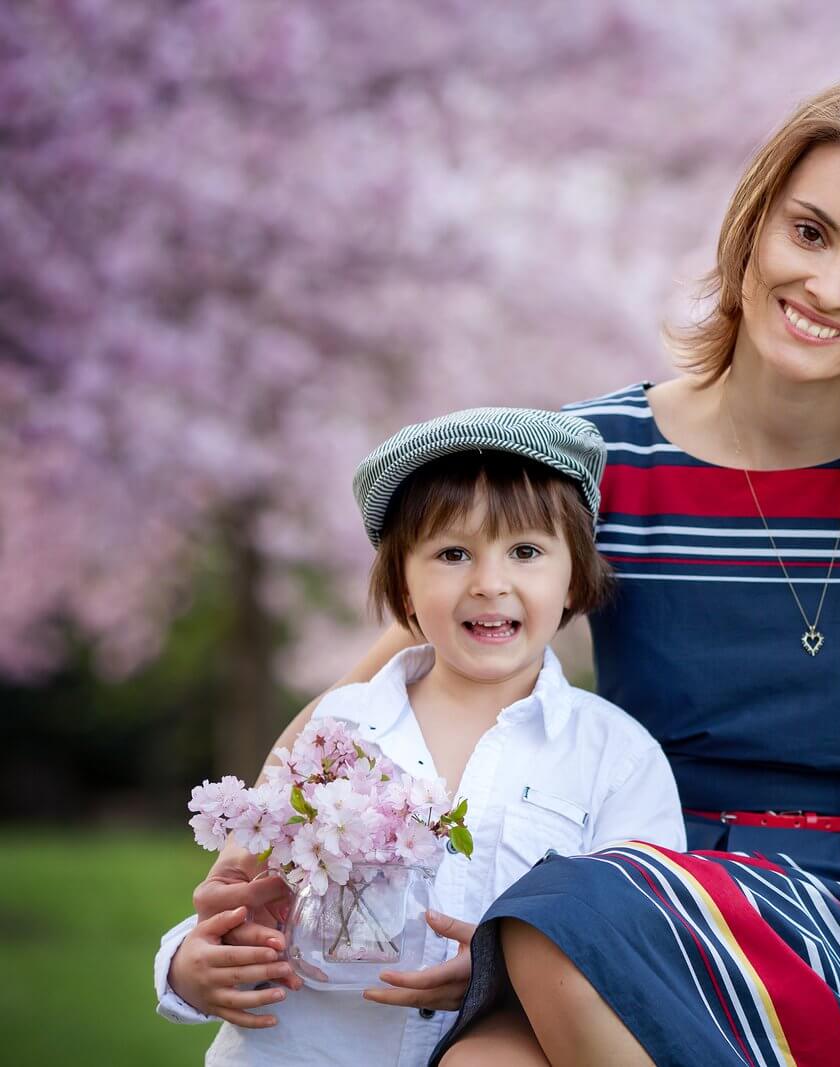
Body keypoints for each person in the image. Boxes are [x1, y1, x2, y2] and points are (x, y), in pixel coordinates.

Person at [178, 79, 840, 1066]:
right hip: (636, 888)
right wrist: (257, 856)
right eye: (809, 233)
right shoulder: (600, 458)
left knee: (560, 913)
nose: (827, 287)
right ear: (756, 222)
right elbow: (402, 667)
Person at [153, 408, 685, 1066]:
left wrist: (503, 980)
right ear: (402, 583)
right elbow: (240, 897)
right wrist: (188, 966)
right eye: (453, 553)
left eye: (525, 551)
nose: (489, 582)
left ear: (572, 575)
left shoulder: (617, 759)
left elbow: (640, 956)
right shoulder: (337, 732)